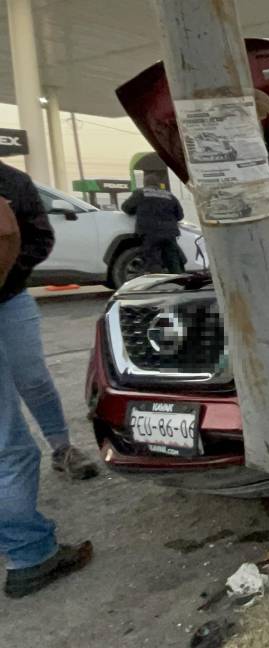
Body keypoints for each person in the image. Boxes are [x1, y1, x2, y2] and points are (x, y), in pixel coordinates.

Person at [0, 161, 93, 597]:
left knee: (33, 379)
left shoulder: (13, 182)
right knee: (9, 445)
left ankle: (62, 449)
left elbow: (38, 238)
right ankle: (30, 554)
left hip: (10, 298)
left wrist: (7, 272)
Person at [122, 179, 186, 274]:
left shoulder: (140, 193)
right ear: (158, 185)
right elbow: (180, 215)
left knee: (153, 260)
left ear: (145, 184)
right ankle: (180, 282)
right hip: (169, 233)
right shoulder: (169, 195)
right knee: (173, 260)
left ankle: (157, 283)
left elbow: (126, 208)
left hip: (150, 232)